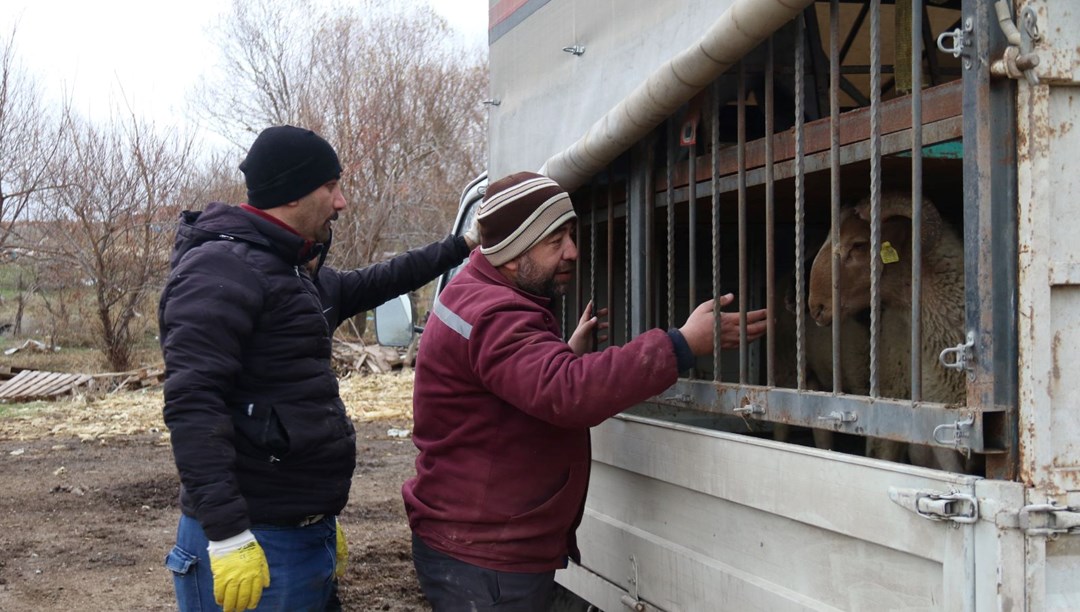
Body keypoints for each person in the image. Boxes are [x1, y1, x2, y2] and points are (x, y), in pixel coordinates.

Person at [401, 171, 768, 610]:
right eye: (555, 241)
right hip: (486, 559)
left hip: (476, 542)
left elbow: (517, 383)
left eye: (570, 235)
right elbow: (568, 393)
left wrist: (559, 354)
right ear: (514, 254)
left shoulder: (476, 290)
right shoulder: (495, 313)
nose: (573, 251)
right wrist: (682, 344)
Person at [159, 125, 476, 611]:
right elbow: (193, 405)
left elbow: (375, 282)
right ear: (291, 194)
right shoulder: (221, 270)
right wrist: (226, 536)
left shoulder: (287, 271)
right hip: (254, 541)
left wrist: (463, 244)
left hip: (304, 532)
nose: (341, 201)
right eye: (330, 187)